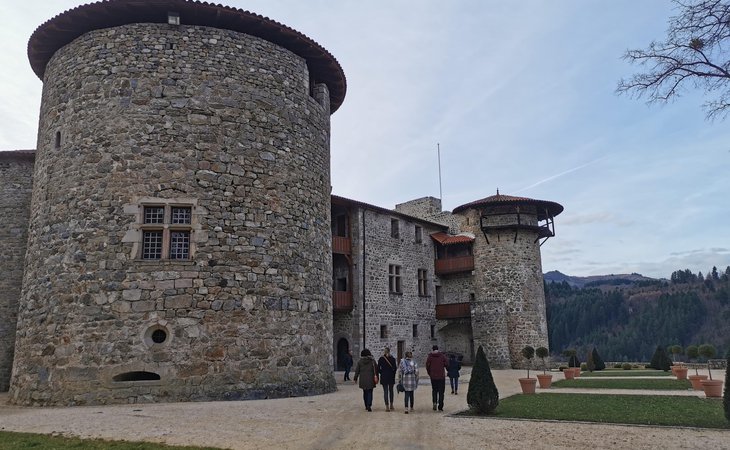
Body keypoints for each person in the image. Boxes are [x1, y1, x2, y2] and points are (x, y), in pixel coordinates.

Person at [425, 344, 448, 411]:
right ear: (438, 349)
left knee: (434, 390)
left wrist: (430, 373)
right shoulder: (442, 356)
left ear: (432, 349)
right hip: (441, 376)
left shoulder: (430, 356)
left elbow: (427, 365)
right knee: (441, 392)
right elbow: (447, 363)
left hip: (433, 376)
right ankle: (440, 406)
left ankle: (434, 402)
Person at [378, 347, 397, 411]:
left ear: (384, 352)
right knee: (391, 391)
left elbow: (378, 368)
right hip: (391, 376)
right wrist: (393, 374)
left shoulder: (381, 359)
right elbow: (395, 368)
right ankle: (391, 404)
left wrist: (382, 372)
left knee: (385, 391)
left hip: (384, 376)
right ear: (389, 351)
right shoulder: (392, 359)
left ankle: (387, 406)